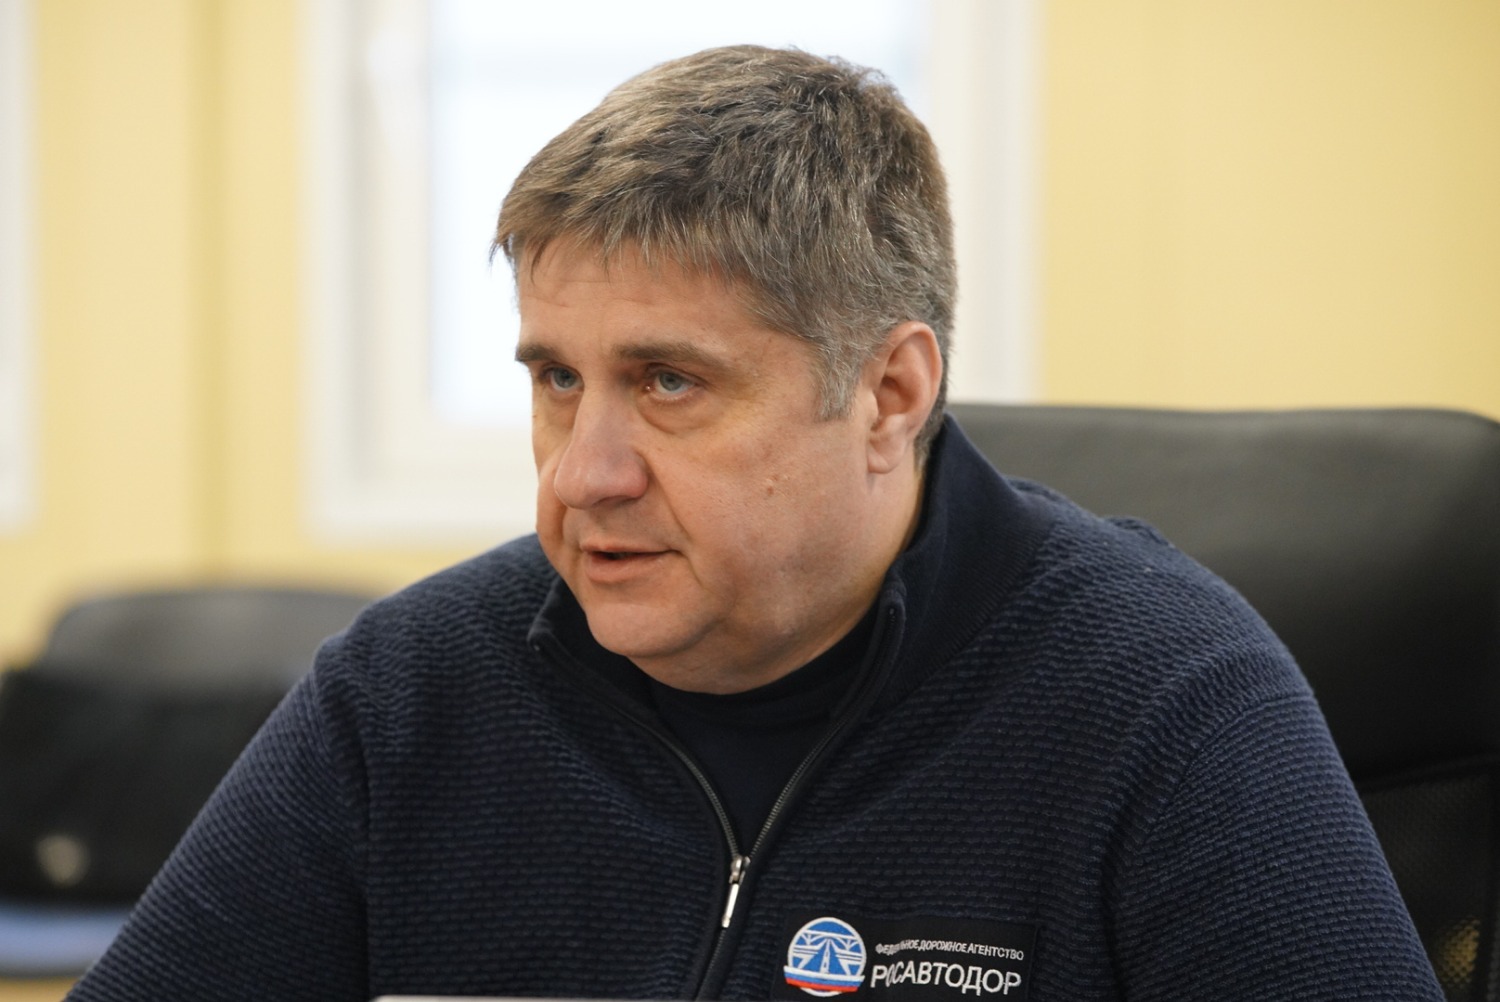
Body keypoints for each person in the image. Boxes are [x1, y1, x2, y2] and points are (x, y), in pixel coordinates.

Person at [68, 45, 1440, 1001]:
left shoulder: (1165, 699)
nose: (584, 474)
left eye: (669, 382)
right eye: (557, 380)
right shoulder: (409, 696)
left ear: (891, 394)